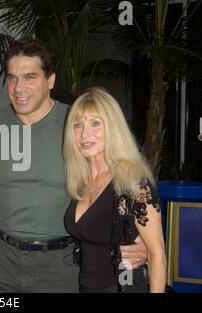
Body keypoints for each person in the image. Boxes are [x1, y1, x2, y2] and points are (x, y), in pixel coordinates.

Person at [0, 37, 148, 293]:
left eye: (29, 77)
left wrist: (143, 241)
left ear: (50, 80)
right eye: (12, 78)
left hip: (60, 265)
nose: (18, 87)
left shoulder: (78, 126)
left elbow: (123, 177)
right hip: (0, 262)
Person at [63, 87, 166, 293]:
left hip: (123, 287)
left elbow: (157, 254)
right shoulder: (80, 179)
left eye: (95, 124)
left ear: (113, 127)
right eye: (78, 125)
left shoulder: (132, 182)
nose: (85, 134)